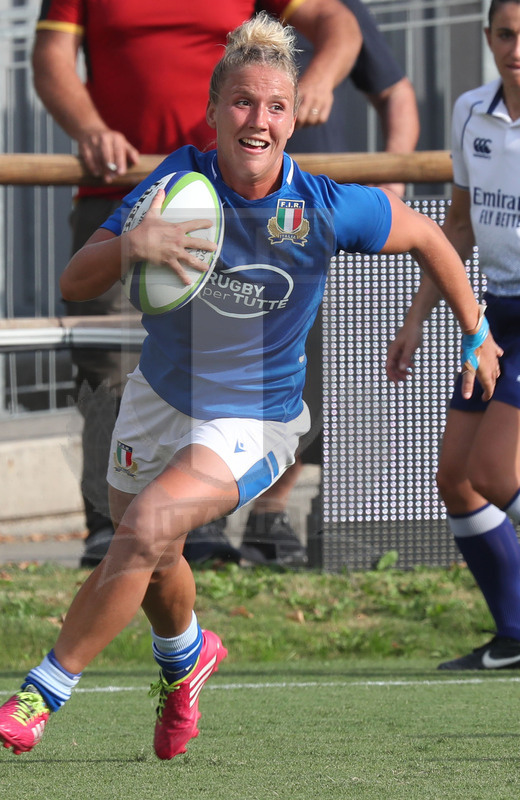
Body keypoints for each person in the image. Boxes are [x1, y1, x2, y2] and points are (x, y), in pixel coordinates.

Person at [0, 13, 498, 759]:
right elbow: (74, 280)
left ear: (294, 117)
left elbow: (424, 235)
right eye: (244, 102)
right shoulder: (177, 184)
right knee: (153, 553)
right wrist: (134, 244)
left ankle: (42, 692)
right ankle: (186, 659)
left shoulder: (320, 206)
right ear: (215, 108)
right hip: (158, 399)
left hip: (256, 420)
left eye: (276, 106)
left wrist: (475, 331)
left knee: (148, 528)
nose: (259, 120)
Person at [32, 0, 363, 569]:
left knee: (247, 348)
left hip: (234, 198)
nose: (261, 113)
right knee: (109, 360)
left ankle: (200, 517)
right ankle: (109, 522)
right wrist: (90, 130)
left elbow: (340, 23)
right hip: (131, 192)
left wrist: (315, 82)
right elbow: (50, 58)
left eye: (274, 107)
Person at [228, 0, 421, 566]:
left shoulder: (329, 12)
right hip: (224, 211)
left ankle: (268, 514)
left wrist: (393, 182)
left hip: (307, 225)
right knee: (215, 368)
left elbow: (397, 93)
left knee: (309, 373)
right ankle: (202, 520)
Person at [386, 0, 520, 670]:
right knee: (457, 480)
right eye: (507, 34)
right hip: (498, 315)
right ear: (488, 36)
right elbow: (458, 227)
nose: (517, 49)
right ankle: (516, 634)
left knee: (494, 470)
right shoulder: (471, 111)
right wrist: (416, 318)